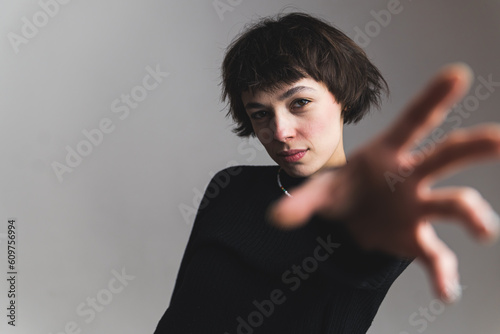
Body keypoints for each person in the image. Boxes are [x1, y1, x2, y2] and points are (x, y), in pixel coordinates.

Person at [153, 12, 500, 334]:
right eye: (260, 113)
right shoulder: (231, 186)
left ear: (343, 97)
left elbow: (358, 263)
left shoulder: (376, 211)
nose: (281, 131)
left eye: (299, 103)